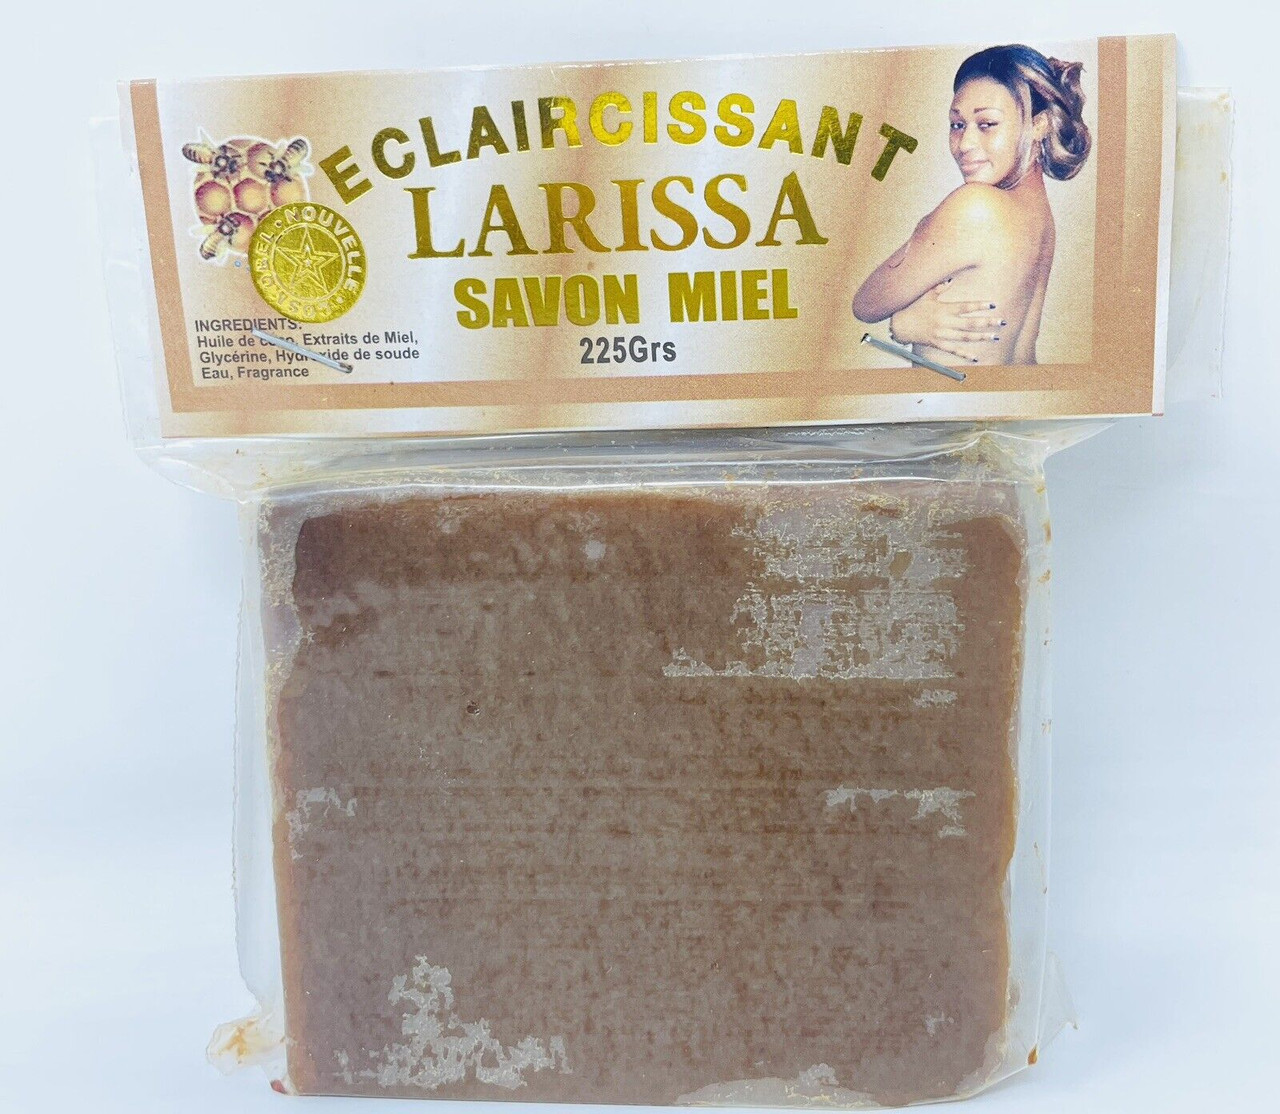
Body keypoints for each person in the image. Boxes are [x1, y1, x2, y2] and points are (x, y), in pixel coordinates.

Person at [852, 45, 1092, 366]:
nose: (964, 144)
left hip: (954, 398)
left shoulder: (976, 206)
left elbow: (865, 305)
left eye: (987, 124)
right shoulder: (1039, 218)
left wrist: (904, 320)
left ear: (1040, 124)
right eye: (957, 125)